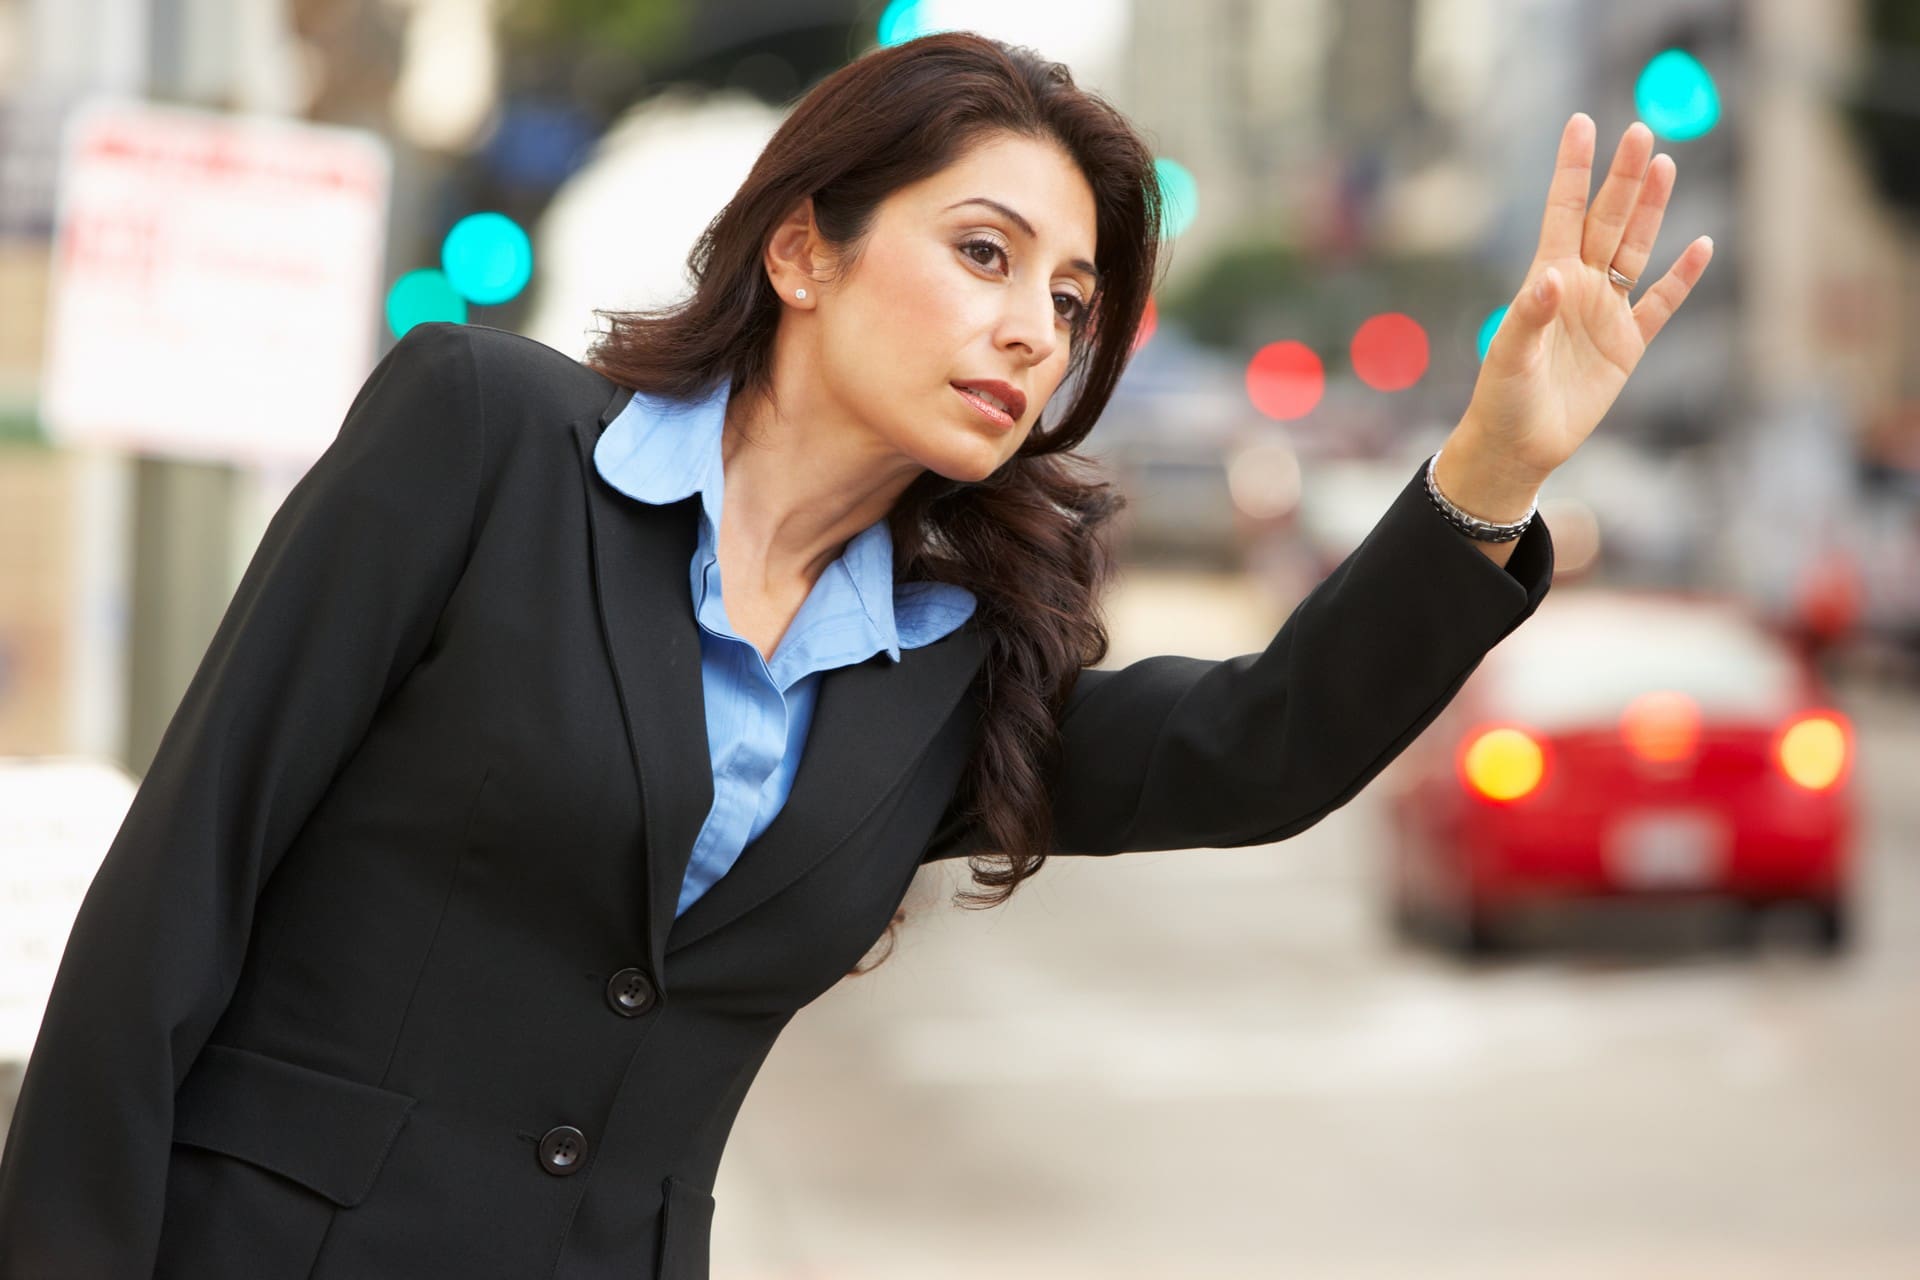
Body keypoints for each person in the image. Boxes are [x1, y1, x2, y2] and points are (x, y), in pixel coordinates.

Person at [0, 30, 1713, 1280]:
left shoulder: (947, 673)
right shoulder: (483, 439)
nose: (1031, 330)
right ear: (804, 247)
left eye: (1070, 302)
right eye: (985, 255)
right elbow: (177, 888)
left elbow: (1263, 744)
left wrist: (1492, 467)